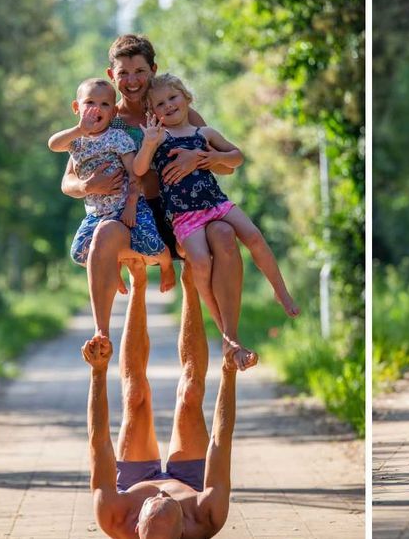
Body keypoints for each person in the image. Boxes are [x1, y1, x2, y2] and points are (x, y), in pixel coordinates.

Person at [62, 34, 248, 370]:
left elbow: (226, 164)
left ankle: (230, 338)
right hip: (131, 214)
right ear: (111, 76)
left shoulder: (173, 108)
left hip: (181, 210)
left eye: (140, 71)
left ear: (153, 70)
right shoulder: (104, 118)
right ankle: (102, 337)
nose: (132, 81)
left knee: (222, 235)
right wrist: (89, 183)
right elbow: (69, 181)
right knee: (113, 242)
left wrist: (199, 159)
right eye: (123, 73)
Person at [142, 73, 299, 362]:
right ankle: (226, 331)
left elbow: (236, 156)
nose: (168, 106)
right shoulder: (158, 137)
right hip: (184, 216)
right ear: (153, 113)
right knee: (200, 262)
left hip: (216, 203)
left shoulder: (205, 134)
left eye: (173, 98)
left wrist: (214, 159)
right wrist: (149, 144)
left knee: (253, 235)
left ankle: (281, 291)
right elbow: (140, 169)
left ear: (187, 98)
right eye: (160, 104)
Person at [83, 262, 244, 538]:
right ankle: (190, 277)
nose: (161, 490)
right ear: (183, 528)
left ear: (137, 526)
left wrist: (98, 372)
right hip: (191, 481)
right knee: (191, 392)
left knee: (135, 396)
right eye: (168, 499)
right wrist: (228, 372)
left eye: (153, 501)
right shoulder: (207, 514)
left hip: (134, 481)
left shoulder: (113, 515)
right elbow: (221, 439)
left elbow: (99, 441)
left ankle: (138, 279)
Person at [50, 78, 177, 350]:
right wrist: (78, 130)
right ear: (77, 107)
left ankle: (167, 266)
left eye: (105, 104)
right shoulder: (77, 142)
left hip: (126, 207)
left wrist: (132, 205)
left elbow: (136, 175)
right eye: (90, 103)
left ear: (113, 112)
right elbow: (53, 144)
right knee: (80, 253)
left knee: (153, 246)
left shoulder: (118, 137)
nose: (97, 109)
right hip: (97, 213)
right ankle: (113, 269)